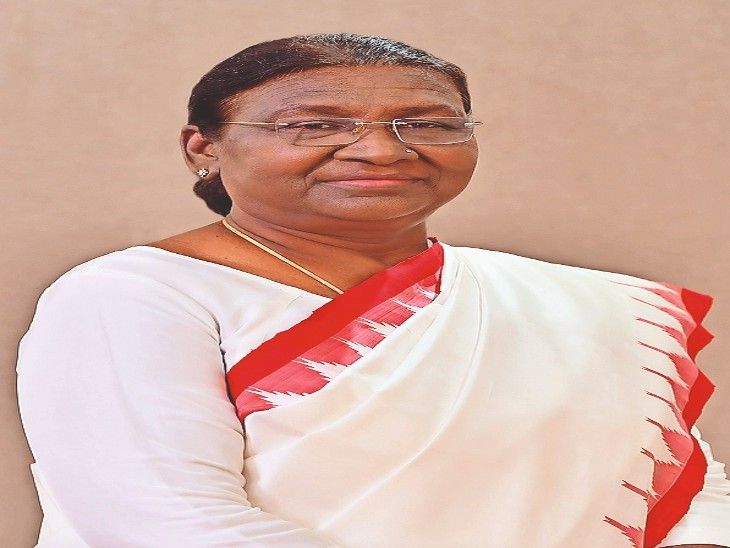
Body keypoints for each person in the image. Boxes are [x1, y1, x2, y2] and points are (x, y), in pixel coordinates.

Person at [15, 32, 730, 548]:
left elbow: (685, 484)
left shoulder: (582, 304)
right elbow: (170, 525)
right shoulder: (134, 296)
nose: (382, 149)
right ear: (203, 147)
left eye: (427, 124)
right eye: (314, 125)